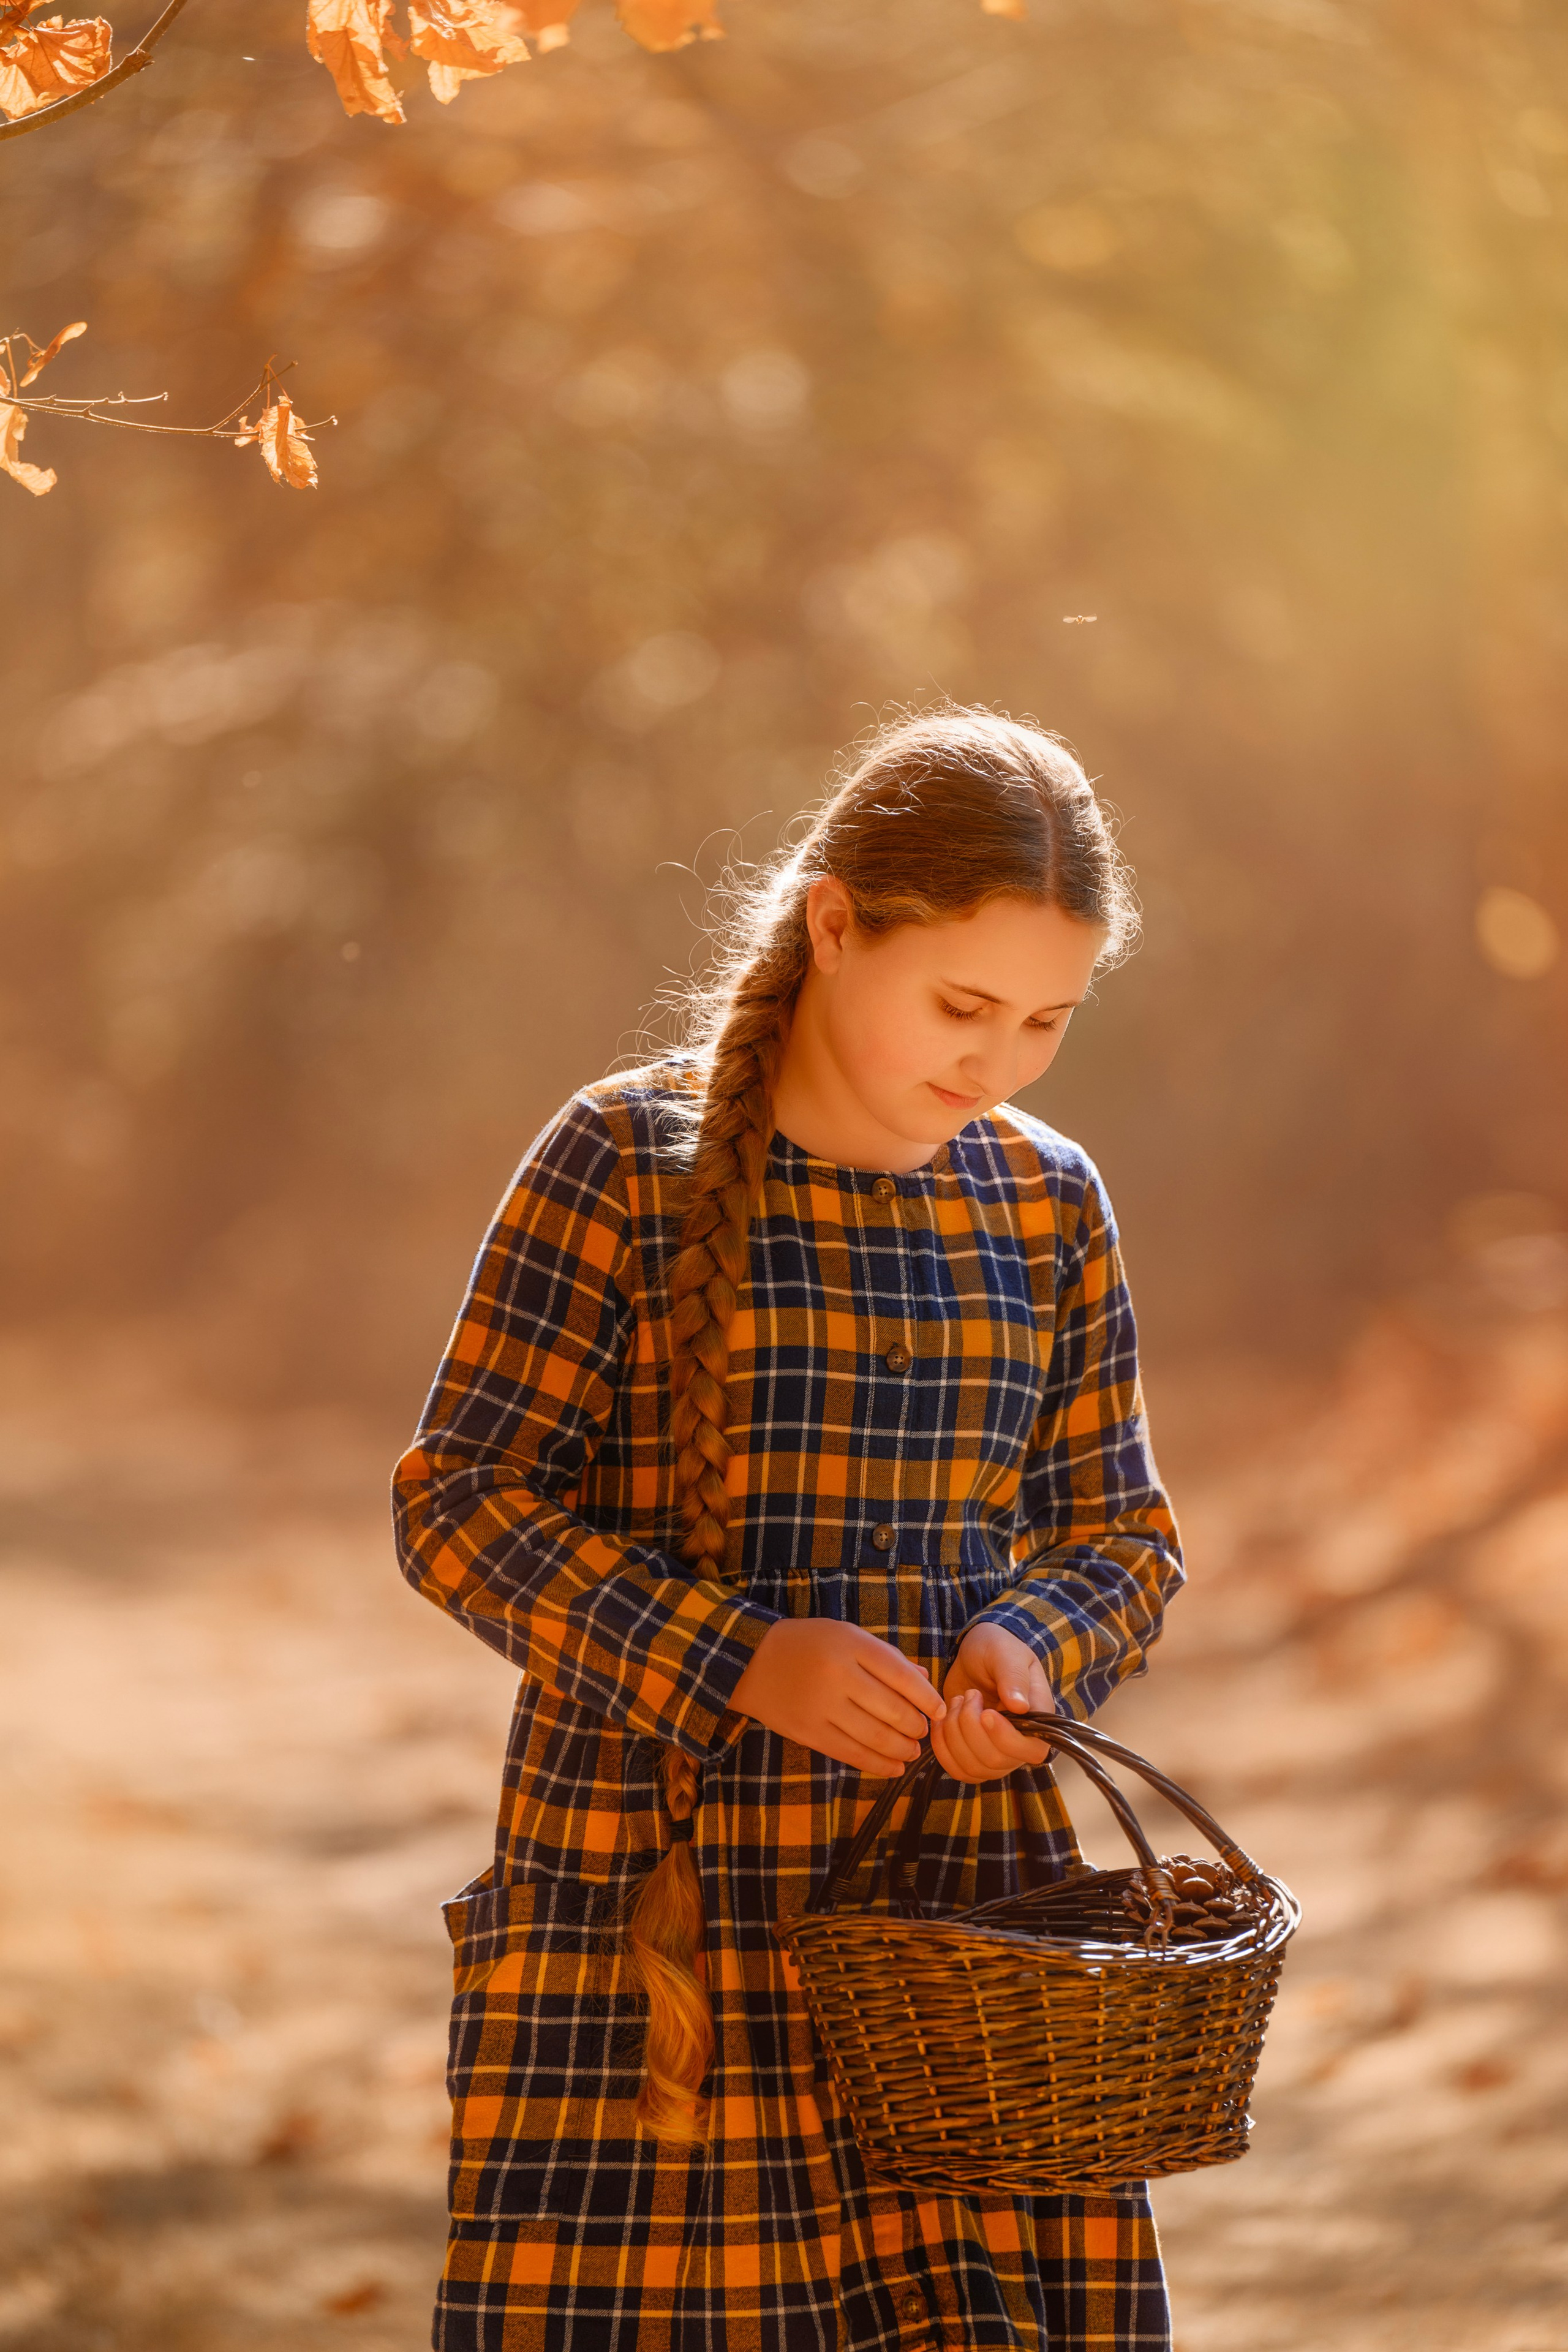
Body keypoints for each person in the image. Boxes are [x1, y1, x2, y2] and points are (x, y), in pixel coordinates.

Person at [393, 707, 1184, 2352]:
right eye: (962, 1005)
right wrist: (736, 1660)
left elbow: (1124, 1538)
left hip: (960, 1940)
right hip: (659, 1920)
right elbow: (456, 1505)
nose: (1000, 1062)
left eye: (1048, 1019)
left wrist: (1027, 1650)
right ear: (834, 923)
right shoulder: (623, 1160)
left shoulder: (1048, 1201)